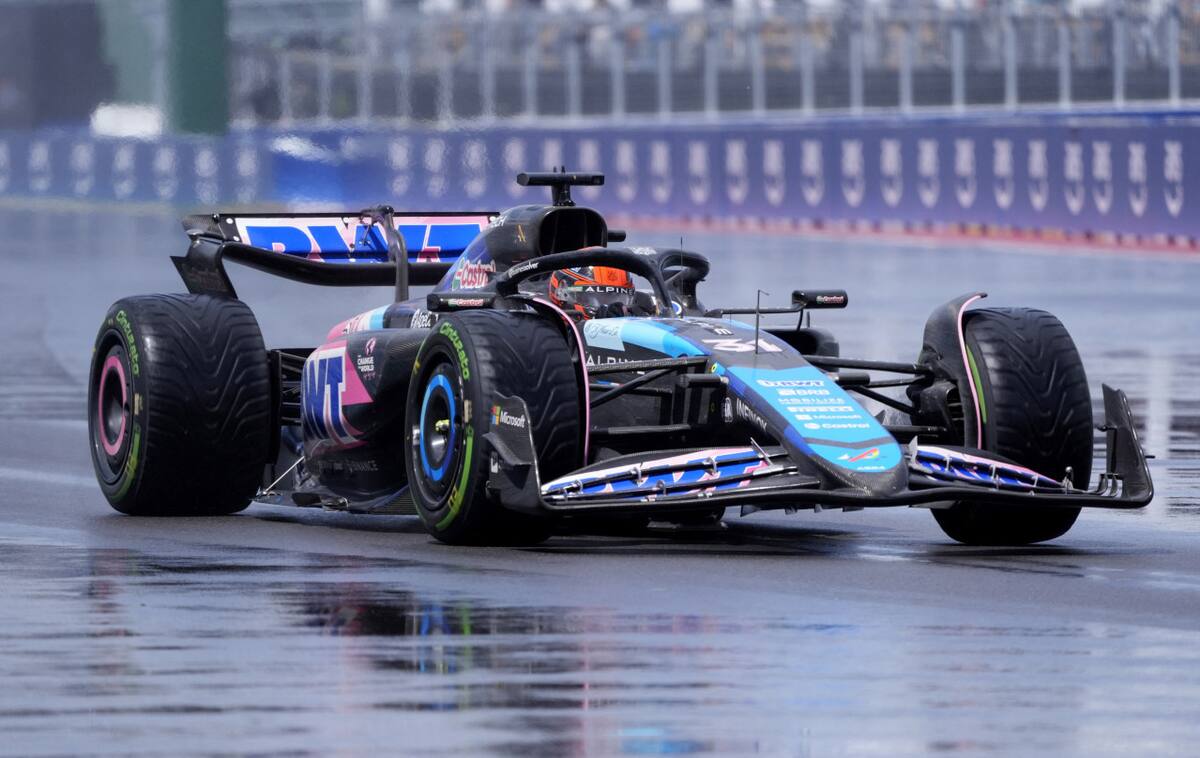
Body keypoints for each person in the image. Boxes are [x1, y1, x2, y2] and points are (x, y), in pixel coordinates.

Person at [548, 266, 638, 320]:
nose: (611, 311)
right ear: (562, 292)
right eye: (598, 297)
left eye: (616, 298)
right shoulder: (543, 329)